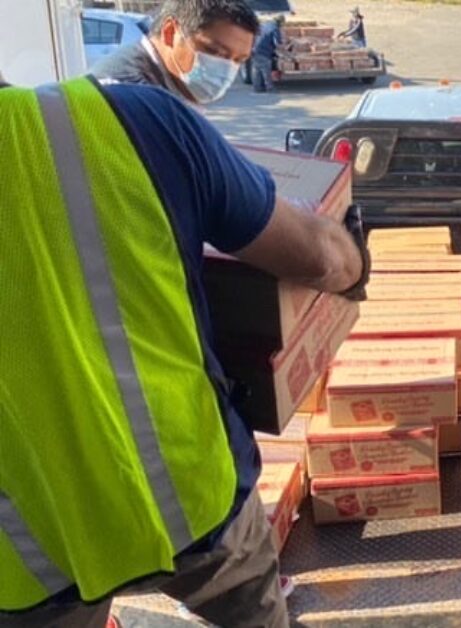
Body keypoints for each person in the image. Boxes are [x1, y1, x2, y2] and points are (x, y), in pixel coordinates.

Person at [0, 75, 368, 627]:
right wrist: (354, 259)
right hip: (190, 498)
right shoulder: (129, 118)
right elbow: (318, 258)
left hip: (31, 553)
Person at [91, 0, 257, 105]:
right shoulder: (130, 94)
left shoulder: (171, 88)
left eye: (238, 60)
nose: (226, 71)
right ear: (170, 33)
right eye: (215, 52)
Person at [252, 15, 284, 94]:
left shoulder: (263, 25)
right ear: (280, 23)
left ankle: (257, 88)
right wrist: (284, 48)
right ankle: (270, 88)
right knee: (266, 70)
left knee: (257, 70)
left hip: (255, 49)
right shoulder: (275, 29)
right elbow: (277, 42)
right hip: (265, 51)